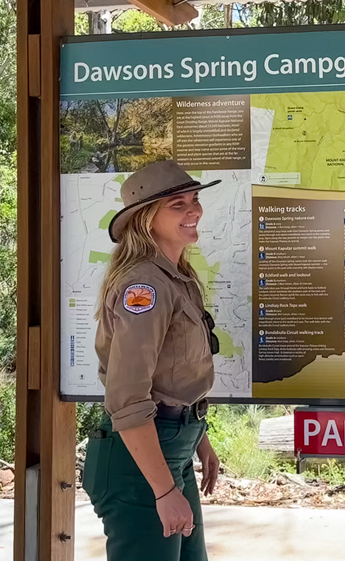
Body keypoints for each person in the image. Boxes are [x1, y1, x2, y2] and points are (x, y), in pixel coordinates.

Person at [81, 160, 222, 561]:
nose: (194, 210)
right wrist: (163, 490)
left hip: (169, 448)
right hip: (137, 463)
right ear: (146, 219)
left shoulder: (177, 276)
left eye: (194, 200)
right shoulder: (145, 286)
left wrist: (199, 439)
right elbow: (127, 397)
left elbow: (171, 377)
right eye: (177, 204)